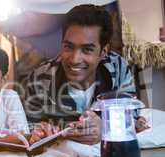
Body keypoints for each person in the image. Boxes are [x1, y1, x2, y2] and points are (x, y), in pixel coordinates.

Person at [25, 4, 145, 145]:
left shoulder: (118, 68)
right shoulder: (39, 78)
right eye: (68, 47)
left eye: (87, 49)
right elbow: (26, 129)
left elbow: (133, 116)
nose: (75, 59)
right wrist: (40, 132)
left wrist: (105, 127)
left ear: (103, 51)